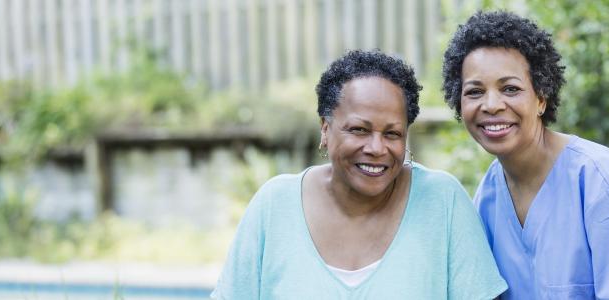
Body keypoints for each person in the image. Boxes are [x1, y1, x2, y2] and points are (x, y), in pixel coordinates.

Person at [212, 50, 507, 299]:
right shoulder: (274, 205)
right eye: (359, 130)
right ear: (325, 129)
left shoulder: (442, 201)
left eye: (392, 133)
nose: (377, 148)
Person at [441, 11, 609, 299]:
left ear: (541, 98)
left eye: (510, 89)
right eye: (474, 92)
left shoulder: (598, 178)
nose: (491, 105)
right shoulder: (488, 196)